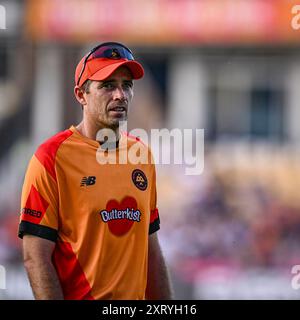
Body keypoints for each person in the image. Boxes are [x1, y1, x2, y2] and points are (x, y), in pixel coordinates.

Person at [18, 42, 173, 300]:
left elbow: (150, 249)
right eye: (108, 85)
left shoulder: (142, 155)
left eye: (127, 85)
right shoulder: (50, 158)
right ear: (81, 95)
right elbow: (35, 256)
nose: (120, 95)